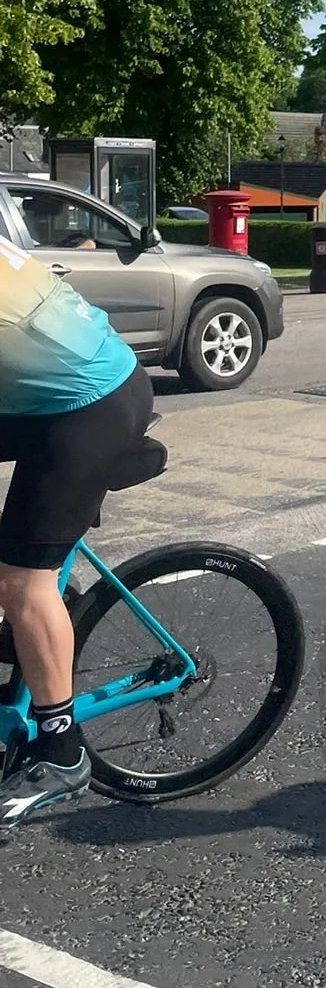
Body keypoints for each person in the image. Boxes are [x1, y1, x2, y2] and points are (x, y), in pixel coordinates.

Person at [0, 233, 153, 823]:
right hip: (40, 393)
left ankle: (61, 753)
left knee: (19, 583)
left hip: (89, 405)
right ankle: (29, 624)